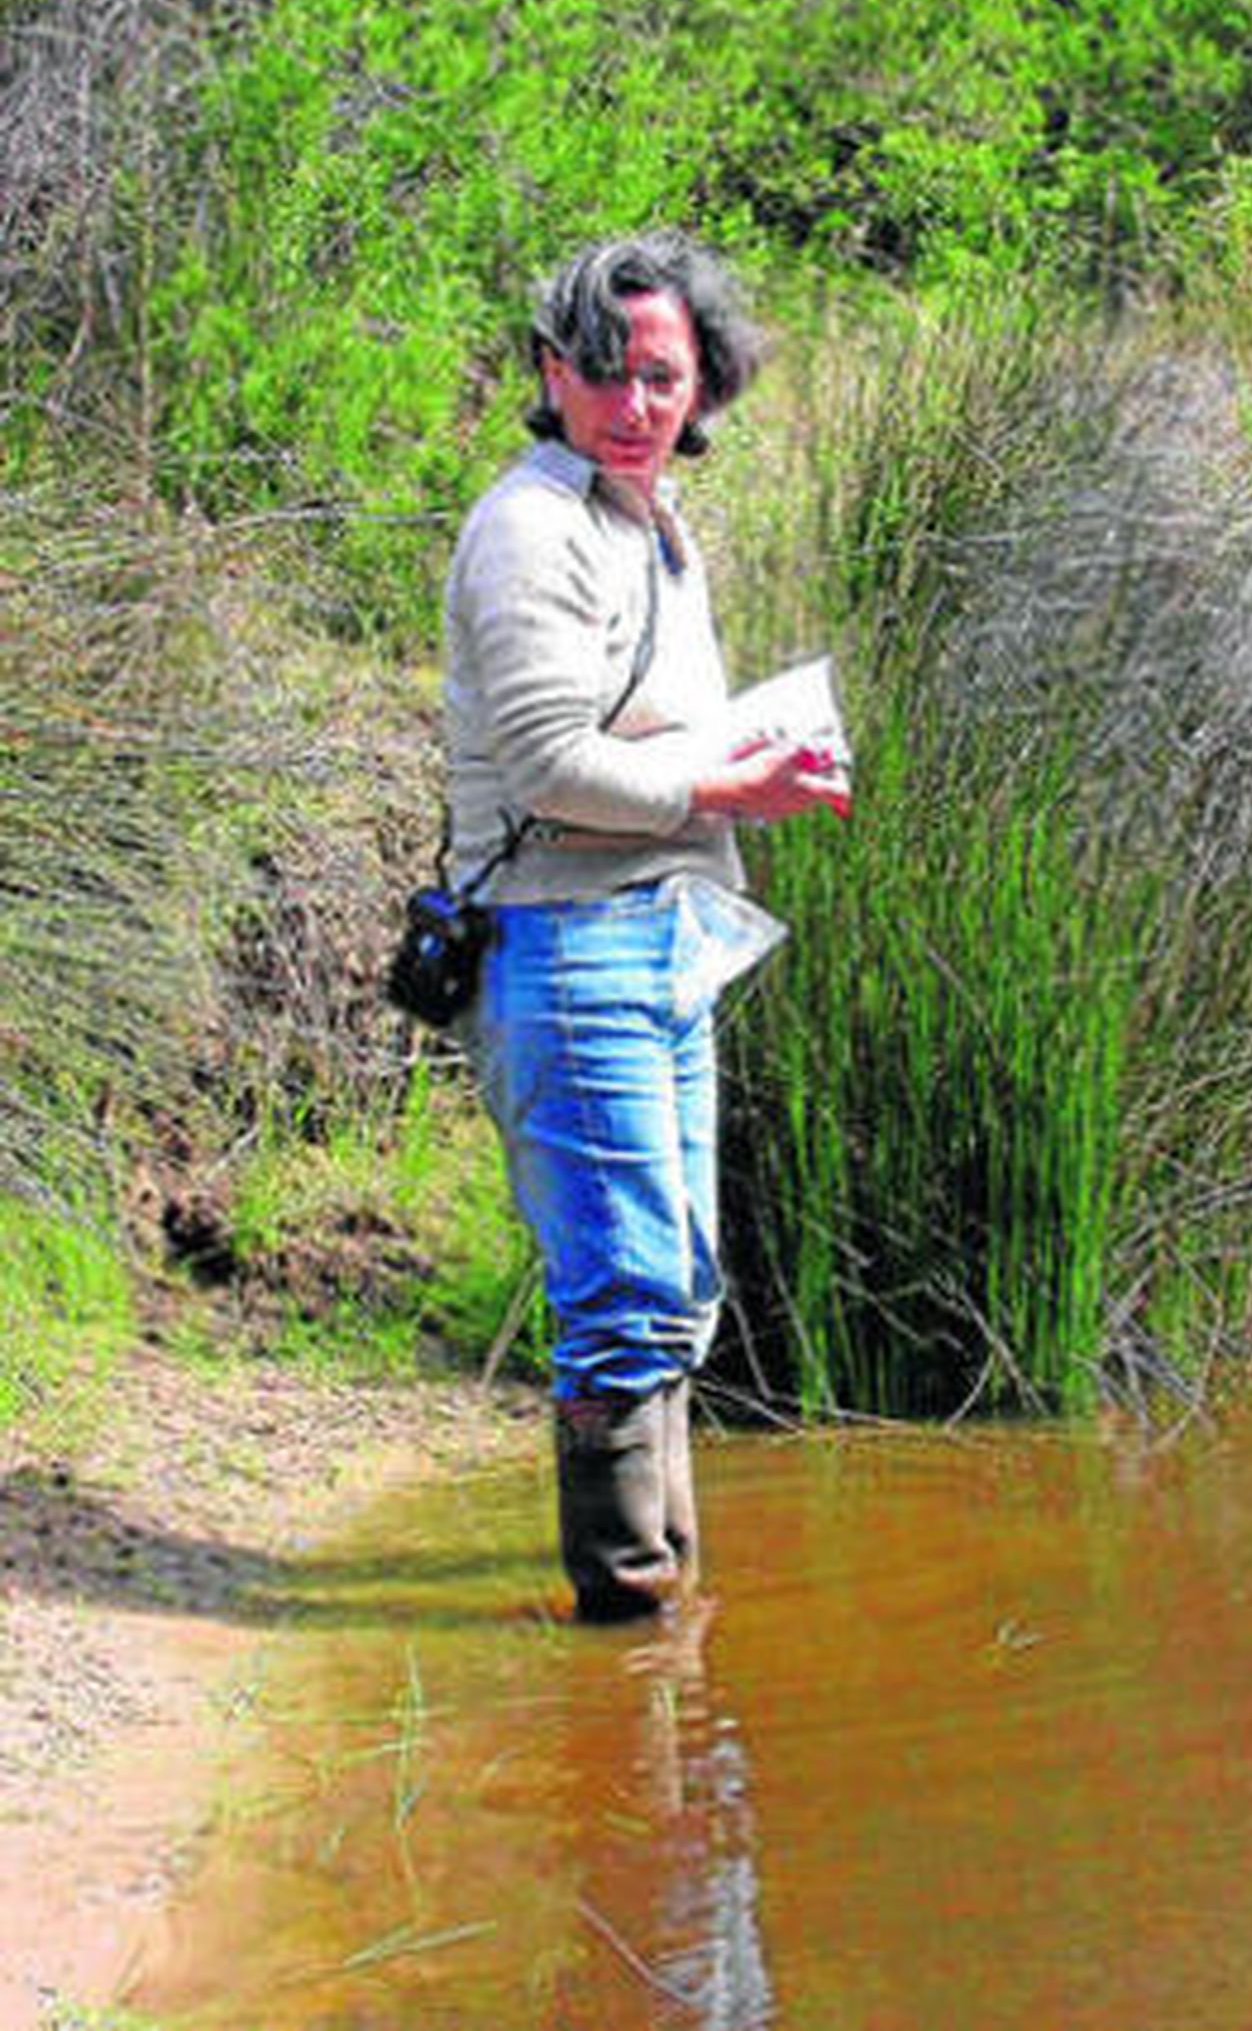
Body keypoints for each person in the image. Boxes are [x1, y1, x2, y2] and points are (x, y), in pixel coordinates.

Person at [444, 231, 848, 1622]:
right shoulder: (532, 527)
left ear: (703, 385)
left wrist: (761, 757)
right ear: (552, 372)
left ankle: (665, 1612)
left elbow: (651, 730)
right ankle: (630, 1623)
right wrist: (730, 787)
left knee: (675, 1285)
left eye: (661, 377)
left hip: (663, 937)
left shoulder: (653, 523)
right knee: (623, 1295)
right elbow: (551, 767)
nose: (634, 402)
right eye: (604, 370)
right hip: (569, 946)